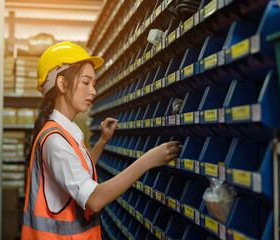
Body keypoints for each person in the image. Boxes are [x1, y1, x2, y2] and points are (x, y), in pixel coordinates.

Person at [21, 41, 180, 240]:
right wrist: (147, 161)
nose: (93, 91)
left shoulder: (64, 133)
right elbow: (94, 199)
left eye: (93, 84)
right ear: (62, 84)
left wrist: (103, 141)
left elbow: (78, 173)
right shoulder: (55, 141)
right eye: (86, 82)